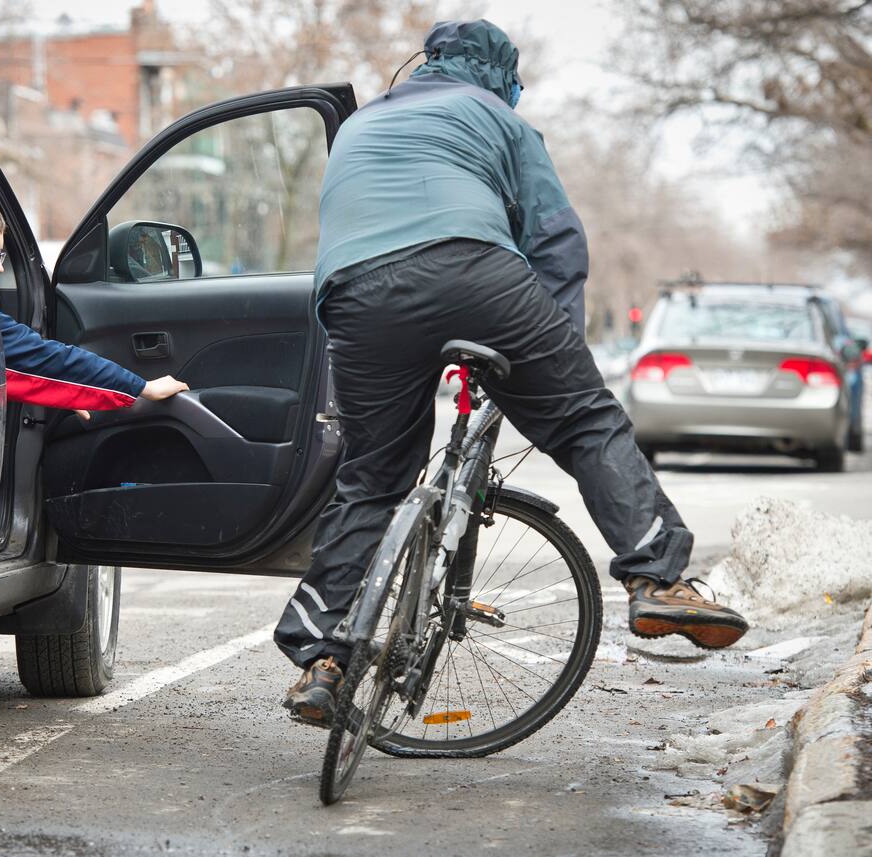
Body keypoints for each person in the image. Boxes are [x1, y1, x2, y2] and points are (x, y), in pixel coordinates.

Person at [276, 20, 750, 725]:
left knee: (371, 477)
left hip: (355, 293)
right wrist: (546, 357)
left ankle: (323, 654)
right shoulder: (498, 119)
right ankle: (658, 577)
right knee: (587, 420)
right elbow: (555, 243)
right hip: (473, 269)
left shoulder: (360, 125)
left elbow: (351, 231)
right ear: (499, 75)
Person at [0, 193, 188, 414]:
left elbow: (2, 372)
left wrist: (67, 394)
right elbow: (38, 357)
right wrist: (142, 387)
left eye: (0, 256)